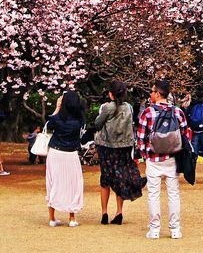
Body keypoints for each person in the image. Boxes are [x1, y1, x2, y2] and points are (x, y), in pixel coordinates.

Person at [136, 79, 190, 239]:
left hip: (153, 158)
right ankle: (175, 229)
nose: (150, 94)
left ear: (158, 93)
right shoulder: (177, 112)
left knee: (153, 194)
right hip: (173, 158)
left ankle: (154, 229)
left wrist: (145, 155)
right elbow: (185, 135)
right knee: (173, 193)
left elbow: (141, 137)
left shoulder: (148, 112)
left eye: (152, 91)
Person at [93, 81, 142, 225]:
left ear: (111, 93)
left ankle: (104, 213)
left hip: (107, 147)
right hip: (124, 147)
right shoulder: (129, 108)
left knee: (105, 179)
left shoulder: (107, 107)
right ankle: (119, 211)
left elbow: (97, 123)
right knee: (120, 178)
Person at [44, 91, 85, 227]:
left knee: (53, 182)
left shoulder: (57, 119)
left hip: (56, 153)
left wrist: (57, 108)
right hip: (71, 154)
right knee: (73, 184)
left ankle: (52, 218)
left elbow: (48, 126)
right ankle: (72, 218)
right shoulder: (79, 120)